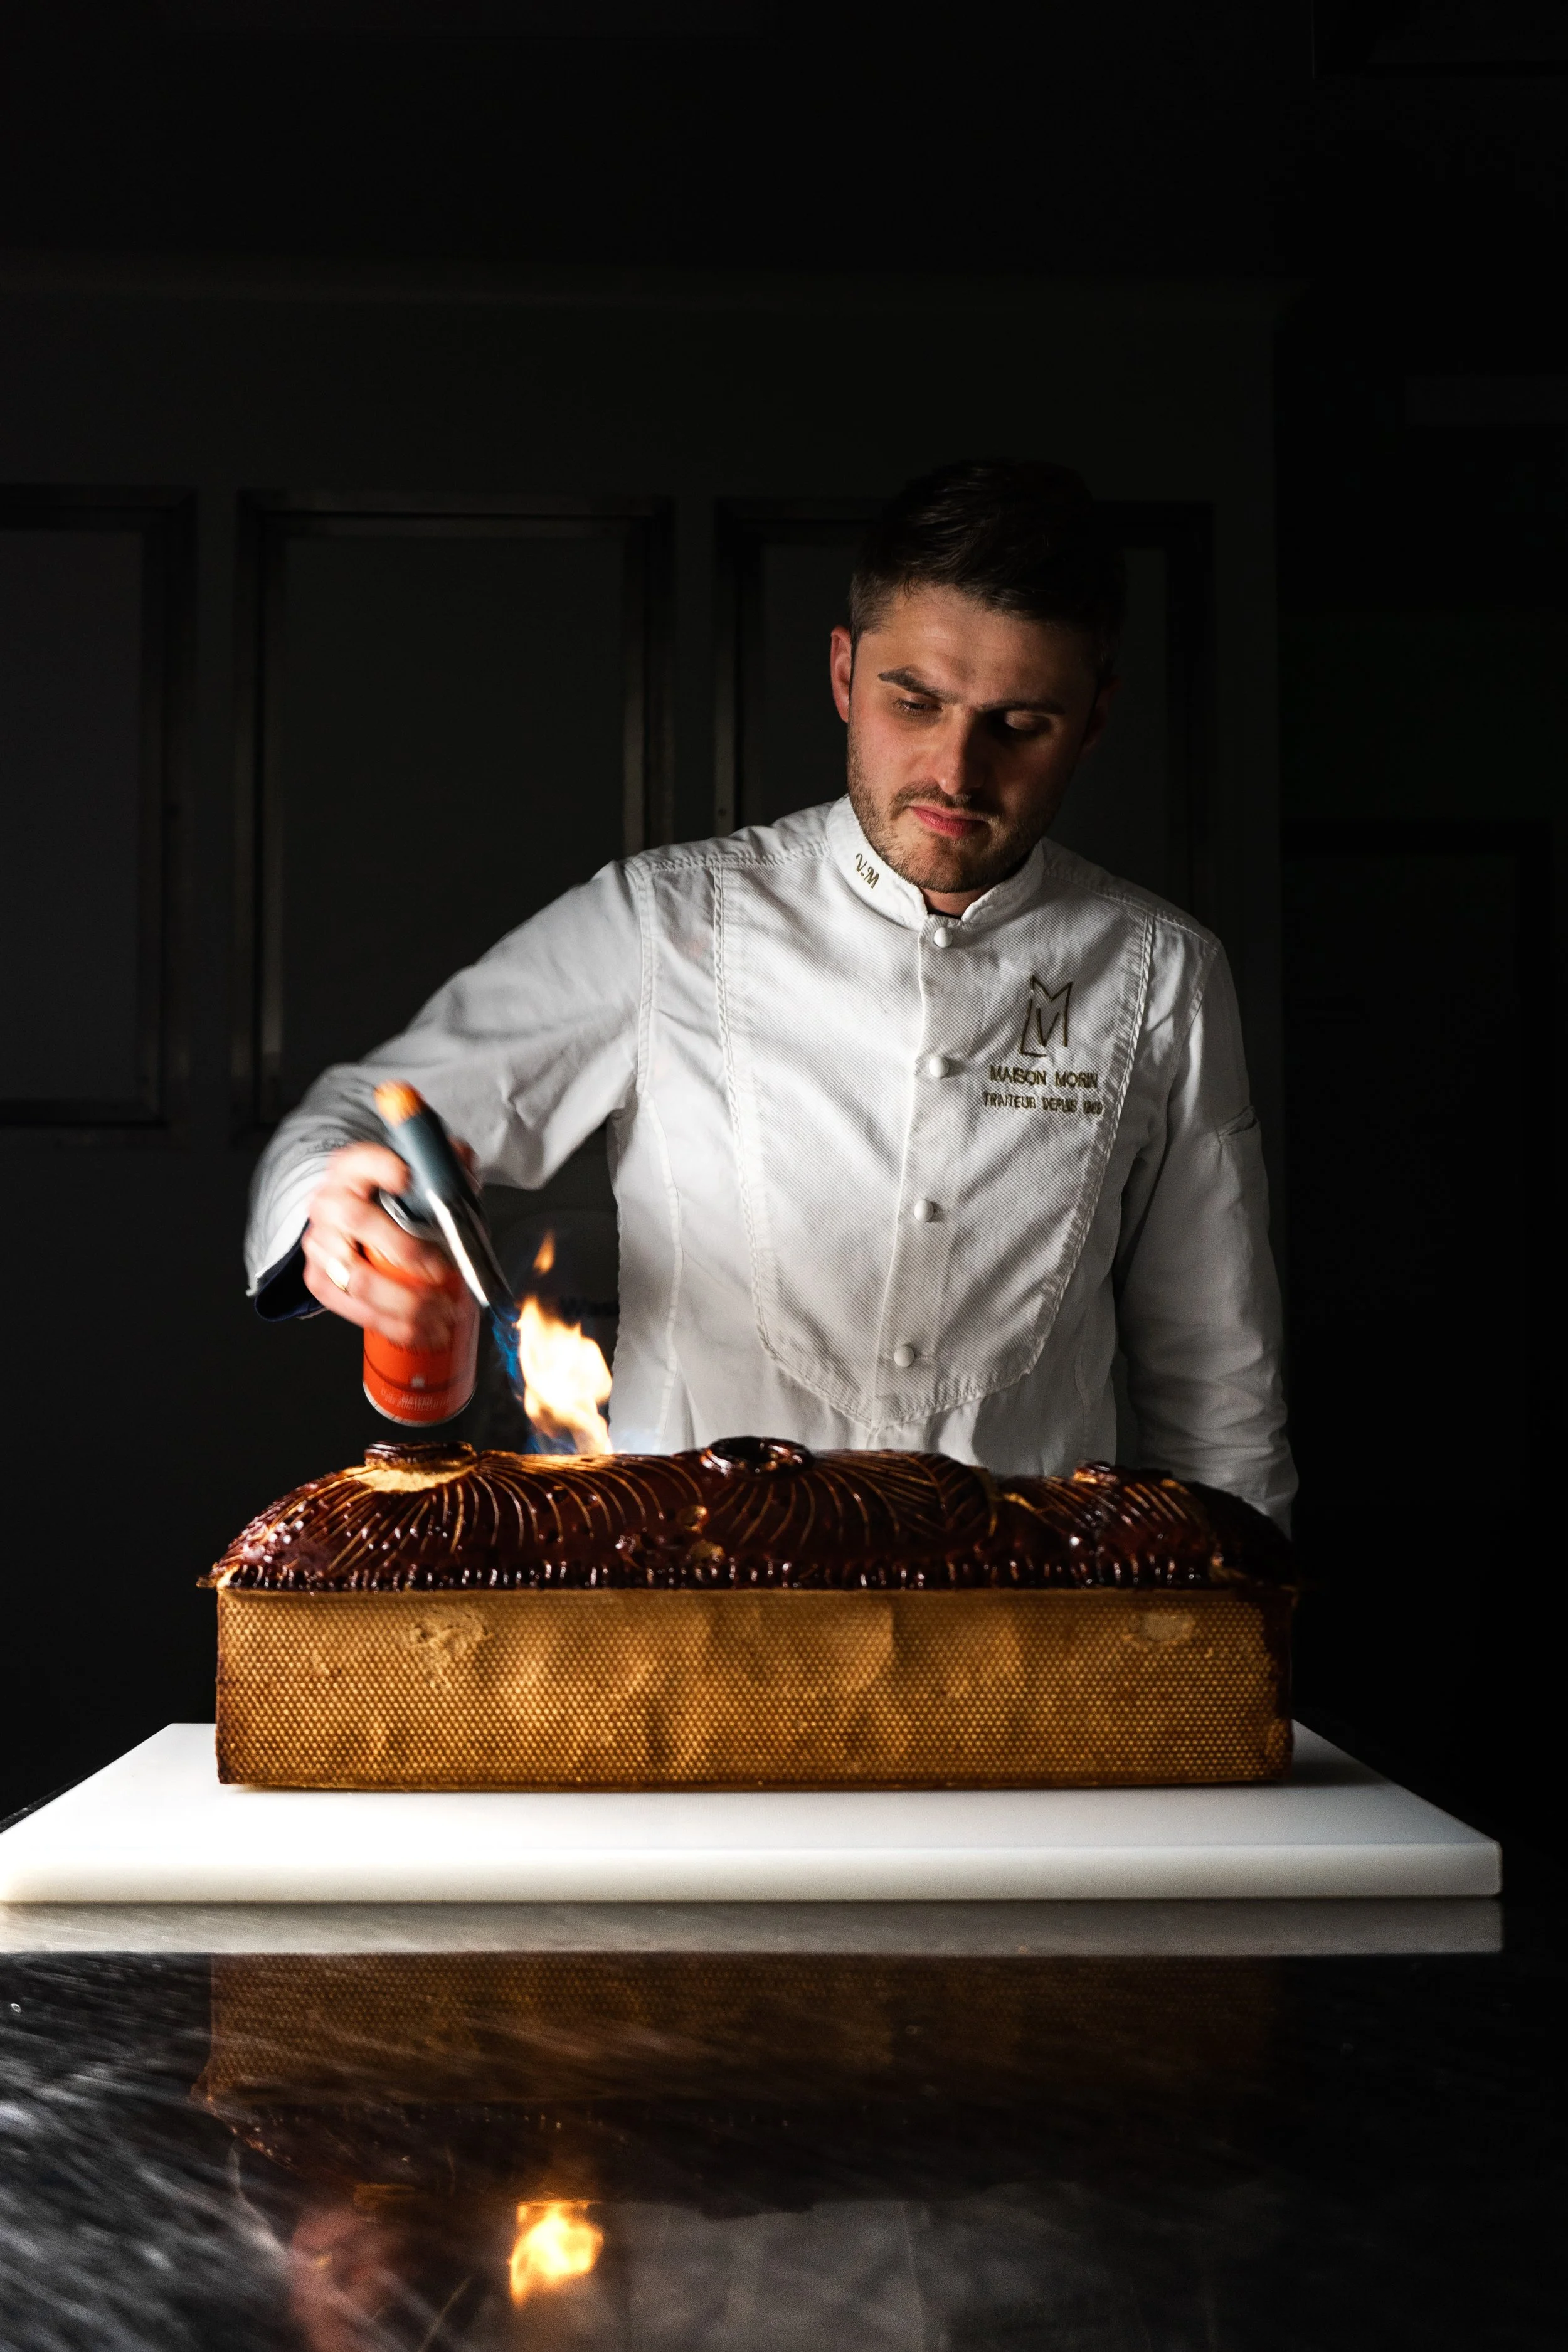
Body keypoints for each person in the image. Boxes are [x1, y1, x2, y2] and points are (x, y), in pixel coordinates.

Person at [247, 459, 1293, 1522]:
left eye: (1019, 724)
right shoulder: (667, 922)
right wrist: (335, 1215)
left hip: (1020, 1638)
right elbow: (351, 1114)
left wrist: (1240, 1647)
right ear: (844, 674)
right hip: (691, 1609)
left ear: (1095, 720)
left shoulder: (1167, 974)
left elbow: (1219, 1384)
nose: (956, 772)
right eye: (913, 699)